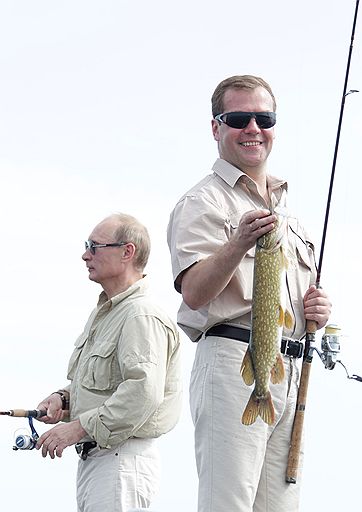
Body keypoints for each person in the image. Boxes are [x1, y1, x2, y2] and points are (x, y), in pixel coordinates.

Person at [167, 75, 332, 512]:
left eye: (264, 117)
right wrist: (237, 244)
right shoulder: (202, 203)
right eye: (239, 118)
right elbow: (195, 294)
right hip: (230, 363)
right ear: (216, 127)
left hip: (288, 367)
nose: (253, 128)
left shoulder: (286, 207)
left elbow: (290, 296)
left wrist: (315, 311)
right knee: (229, 505)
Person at [35, 213, 182, 512]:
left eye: (94, 246)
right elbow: (104, 384)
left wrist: (76, 428)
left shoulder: (140, 315)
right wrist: (64, 398)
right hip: (102, 462)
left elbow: (143, 393)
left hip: (121, 462)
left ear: (127, 252)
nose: (85, 254)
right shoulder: (109, 314)